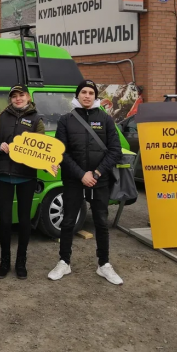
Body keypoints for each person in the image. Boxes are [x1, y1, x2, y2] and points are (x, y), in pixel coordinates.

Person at [48, 79, 124, 285]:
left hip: (100, 179)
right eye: (84, 92)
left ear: (95, 96)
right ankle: (64, 262)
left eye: (91, 92)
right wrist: (82, 174)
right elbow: (61, 152)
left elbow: (115, 150)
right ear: (78, 95)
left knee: (101, 222)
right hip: (74, 179)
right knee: (68, 221)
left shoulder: (106, 119)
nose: (87, 96)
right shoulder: (66, 120)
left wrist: (97, 173)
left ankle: (104, 264)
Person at [0, 84, 54, 280]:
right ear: (10, 99)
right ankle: (4, 261)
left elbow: (42, 150)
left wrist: (49, 164)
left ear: (28, 97)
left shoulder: (37, 119)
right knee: (5, 221)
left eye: (21, 95)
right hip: (3, 175)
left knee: (24, 220)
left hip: (26, 176)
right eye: (14, 96)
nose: (18, 98)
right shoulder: (2, 116)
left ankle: (21, 262)